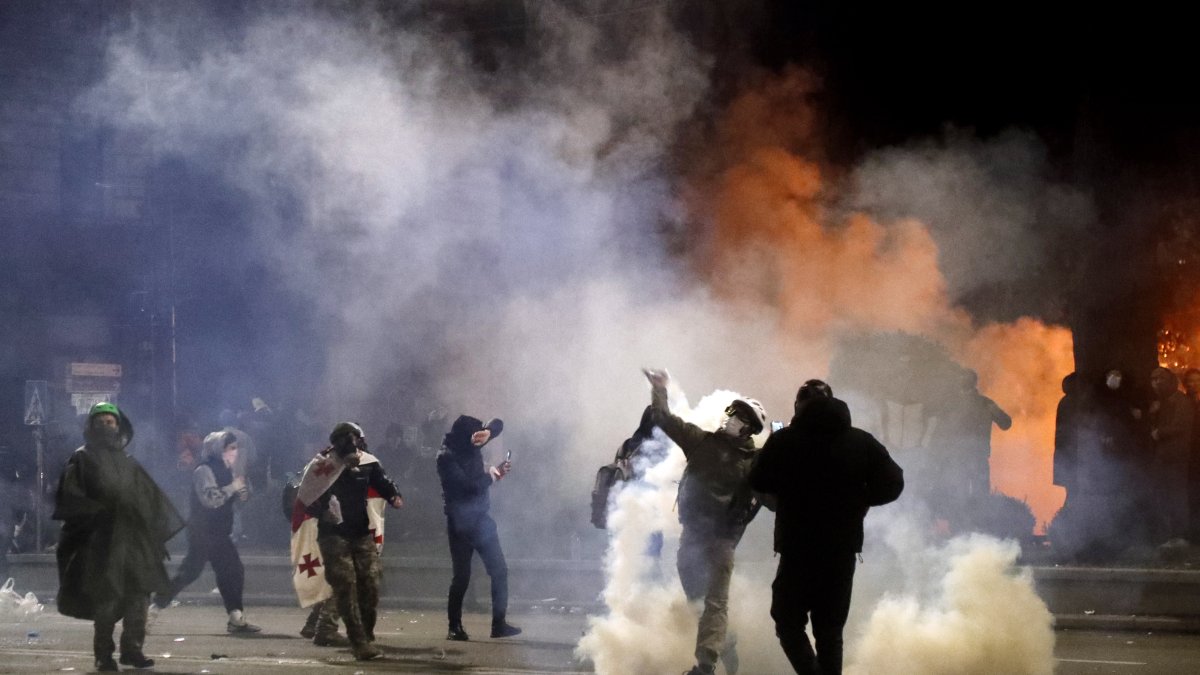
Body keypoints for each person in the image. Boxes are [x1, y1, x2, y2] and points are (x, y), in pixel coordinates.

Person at [750, 393, 904, 675]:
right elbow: (894, 482)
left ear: (800, 408)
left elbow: (758, 479)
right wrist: (862, 499)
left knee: (787, 620)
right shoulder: (861, 441)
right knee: (830, 629)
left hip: (798, 547)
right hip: (841, 550)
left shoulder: (786, 440)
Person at [642, 369, 765, 675]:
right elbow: (663, 419)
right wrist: (659, 388)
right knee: (698, 600)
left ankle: (706, 664)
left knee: (715, 602)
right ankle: (725, 641)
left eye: (740, 417)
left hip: (723, 541)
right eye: (733, 413)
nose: (732, 419)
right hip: (692, 537)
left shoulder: (756, 462)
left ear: (749, 428)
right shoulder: (701, 442)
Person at [53, 402, 185, 672]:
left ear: (118, 426)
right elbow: (71, 496)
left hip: (134, 542)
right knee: (107, 600)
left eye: (110, 421)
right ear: (91, 426)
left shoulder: (129, 462)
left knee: (138, 598)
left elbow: (151, 500)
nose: (105, 426)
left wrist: (149, 527)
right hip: (101, 542)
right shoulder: (81, 458)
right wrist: (97, 512)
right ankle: (103, 654)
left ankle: (132, 649)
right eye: (100, 421)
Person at [294, 422, 403, 660]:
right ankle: (358, 642)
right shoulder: (322, 465)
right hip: (333, 534)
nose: (353, 446)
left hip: (361, 533)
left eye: (356, 440)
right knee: (345, 585)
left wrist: (394, 496)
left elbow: (383, 482)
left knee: (371, 583)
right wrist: (322, 509)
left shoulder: (368, 463)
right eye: (347, 441)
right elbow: (303, 496)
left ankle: (366, 632)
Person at [150, 431, 260, 632]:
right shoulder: (204, 470)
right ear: (217, 449)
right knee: (190, 572)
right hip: (202, 531)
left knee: (233, 570)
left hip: (219, 532)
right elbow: (211, 499)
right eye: (229, 448)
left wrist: (242, 488)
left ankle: (235, 616)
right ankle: (155, 606)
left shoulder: (230, 470)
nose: (234, 453)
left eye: (235, 448)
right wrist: (232, 487)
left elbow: (242, 498)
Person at [437, 415, 521, 641]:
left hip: (481, 519)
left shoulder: (471, 443)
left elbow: (499, 423)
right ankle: (454, 627)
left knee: (499, 571)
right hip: (460, 522)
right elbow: (467, 487)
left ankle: (499, 624)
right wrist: (491, 477)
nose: (480, 441)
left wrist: (490, 433)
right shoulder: (446, 456)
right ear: (465, 436)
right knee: (462, 576)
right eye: (476, 435)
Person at [1149, 367, 1194, 550]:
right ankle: (1169, 534)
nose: (1157, 382)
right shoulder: (1161, 403)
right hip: (1163, 457)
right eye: (1154, 379)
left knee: (1176, 496)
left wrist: (1160, 433)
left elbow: (1182, 426)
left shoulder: (1181, 401)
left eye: (1161, 378)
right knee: (1164, 496)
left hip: (1176, 456)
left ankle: (1180, 535)